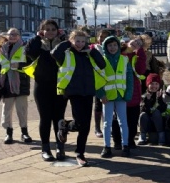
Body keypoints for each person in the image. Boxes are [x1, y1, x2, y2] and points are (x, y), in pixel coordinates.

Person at [52, 30, 106, 167]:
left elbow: (102, 64)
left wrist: (92, 51)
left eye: (83, 41)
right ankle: (65, 126)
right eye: (77, 41)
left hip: (88, 91)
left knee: (86, 125)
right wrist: (67, 43)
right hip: (73, 91)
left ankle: (80, 153)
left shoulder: (89, 53)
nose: (80, 44)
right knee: (80, 122)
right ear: (71, 40)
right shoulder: (67, 53)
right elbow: (54, 54)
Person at [24, 19, 67, 161]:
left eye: (53, 29)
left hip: (59, 86)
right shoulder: (38, 43)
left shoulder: (63, 44)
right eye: (47, 29)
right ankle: (46, 149)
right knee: (45, 118)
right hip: (42, 86)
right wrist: (37, 37)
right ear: (42, 31)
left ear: (58, 30)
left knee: (59, 118)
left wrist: (63, 39)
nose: (50, 32)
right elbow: (29, 52)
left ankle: (60, 147)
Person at [0, 28, 32, 145]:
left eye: (15, 34)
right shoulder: (2, 49)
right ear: (7, 36)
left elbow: (30, 64)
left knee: (22, 110)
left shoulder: (25, 49)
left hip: (21, 83)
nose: (13, 36)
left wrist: (19, 65)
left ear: (19, 36)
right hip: (6, 84)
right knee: (7, 110)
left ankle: (24, 132)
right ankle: (8, 133)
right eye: (10, 34)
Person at [97, 35, 134, 158]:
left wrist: (128, 94)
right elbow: (97, 79)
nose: (112, 48)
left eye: (114, 45)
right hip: (107, 96)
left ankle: (125, 145)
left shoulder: (124, 60)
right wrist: (101, 94)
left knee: (123, 122)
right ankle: (107, 146)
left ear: (118, 46)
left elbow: (129, 78)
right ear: (105, 47)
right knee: (107, 123)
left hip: (121, 95)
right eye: (109, 45)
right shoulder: (102, 60)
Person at [119, 36, 147, 149]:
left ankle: (130, 140)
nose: (135, 43)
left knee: (133, 118)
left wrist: (140, 54)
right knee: (120, 118)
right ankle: (119, 140)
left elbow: (140, 70)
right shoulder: (119, 51)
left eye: (139, 43)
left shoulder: (137, 56)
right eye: (135, 40)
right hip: (119, 89)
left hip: (133, 90)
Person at [91, 29, 113, 138]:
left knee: (110, 103)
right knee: (98, 103)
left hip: (110, 79)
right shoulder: (93, 48)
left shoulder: (111, 48)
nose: (102, 39)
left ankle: (109, 126)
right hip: (98, 79)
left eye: (105, 37)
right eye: (101, 36)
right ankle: (97, 127)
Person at [138, 73, 167, 146]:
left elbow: (163, 109)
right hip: (148, 124)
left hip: (159, 124)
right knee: (143, 115)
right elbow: (143, 110)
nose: (154, 86)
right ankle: (142, 136)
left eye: (156, 84)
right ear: (148, 85)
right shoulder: (144, 96)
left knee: (156, 112)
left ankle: (161, 136)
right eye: (152, 84)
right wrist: (147, 101)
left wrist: (159, 99)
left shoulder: (162, 95)